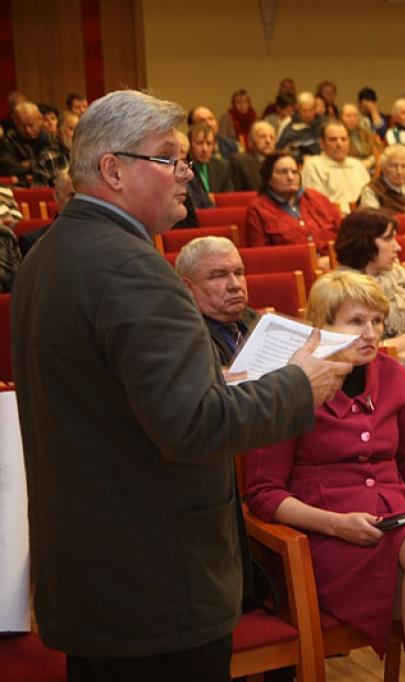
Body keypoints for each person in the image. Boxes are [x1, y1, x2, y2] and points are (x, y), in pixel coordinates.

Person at [12, 89, 349, 681]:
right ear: (113, 170)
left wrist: (215, 383)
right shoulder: (134, 270)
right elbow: (194, 425)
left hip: (91, 572)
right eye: (168, 158)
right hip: (156, 581)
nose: (186, 172)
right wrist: (300, 384)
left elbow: (114, 399)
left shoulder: (50, 253)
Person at [245, 270, 405, 682]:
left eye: (377, 321)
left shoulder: (391, 374)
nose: (371, 333)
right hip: (324, 538)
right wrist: (336, 524)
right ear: (321, 326)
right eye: (355, 322)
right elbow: (264, 494)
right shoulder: (289, 384)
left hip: (392, 525)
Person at [334, 209, 405, 366]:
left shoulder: (403, 277)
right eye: (388, 239)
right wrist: (391, 353)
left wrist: (380, 349)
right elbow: (344, 348)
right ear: (364, 242)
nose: (397, 247)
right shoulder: (338, 288)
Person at [245, 151, 341, 270]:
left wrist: (334, 259)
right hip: (295, 272)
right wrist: (311, 264)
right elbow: (262, 258)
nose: (290, 177)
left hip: (336, 267)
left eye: (295, 172)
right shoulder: (258, 209)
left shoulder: (317, 198)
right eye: (283, 172)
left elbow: (344, 236)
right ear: (269, 179)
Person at [176, 236, 258, 365]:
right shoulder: (184, 338)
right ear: (188, 287)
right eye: (219, 276)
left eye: (239, 273)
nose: (235, 285)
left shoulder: (256, 320)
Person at [301, 119, 371, 214]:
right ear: (322, 144)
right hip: (334, 218)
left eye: (343, 139)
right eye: (333, 140)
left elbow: (370, 197)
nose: (339, 144)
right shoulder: (314, 165)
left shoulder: (357, 165)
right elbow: (316, 204)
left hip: (364, 217)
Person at [0, 101, 62, 186]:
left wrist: (28, 164)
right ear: (15, 122)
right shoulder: (8, 141)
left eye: (31, 125)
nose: (28, 130)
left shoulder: (51, 139)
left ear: (40, 120)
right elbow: (7, 166)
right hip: (19, 186)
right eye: (22, 126)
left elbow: (55, 164)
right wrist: (39, 165)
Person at [187, 123, 234, 209]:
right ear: (189, 144)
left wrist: (218, 199)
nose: (205, 149)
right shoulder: (185, 166)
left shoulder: (222, 166)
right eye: (199, 143)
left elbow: (229, 197)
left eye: (209, 144)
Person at [276, 91, 323, 162]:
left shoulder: (323, 125)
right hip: (295, 161)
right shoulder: (289, 124)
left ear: (315, 109)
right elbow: (280, 149)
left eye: (310, 110)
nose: (307, 114)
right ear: (298, 110)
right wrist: (299, 157)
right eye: (304, 110)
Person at [229, 120, 276, 191]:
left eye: (272, 138)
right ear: (250, 141)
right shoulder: (240, 161)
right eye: (262, 137)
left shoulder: (280, 162)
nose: (268, 141)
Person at [341, 102, 381, 172]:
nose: (352, 119)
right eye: (348, 116)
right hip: (349, 169)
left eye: (355, 116)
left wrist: (371, 161)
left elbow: (377, 150)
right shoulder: (338, 135)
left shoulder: (366, 132)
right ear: (341, 118)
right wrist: (359, 165)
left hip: (370, 167)